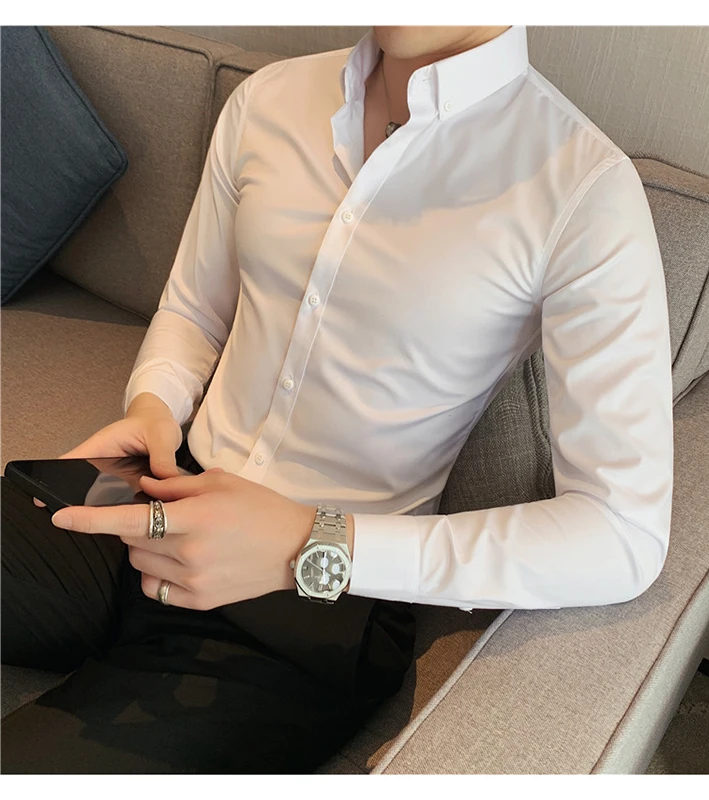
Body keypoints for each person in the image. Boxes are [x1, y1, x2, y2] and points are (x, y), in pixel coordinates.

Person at [1, 24, 674, 773]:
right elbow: (195, 311)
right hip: (160, 490)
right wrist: (154, 403)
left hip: (318, 602)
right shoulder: (268, 100)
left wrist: (313, 542)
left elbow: (623, 534)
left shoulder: (584, 189)